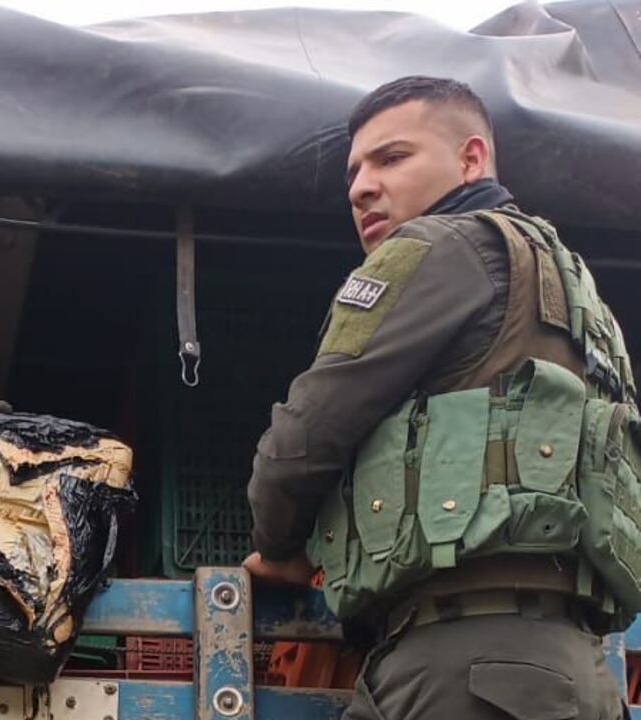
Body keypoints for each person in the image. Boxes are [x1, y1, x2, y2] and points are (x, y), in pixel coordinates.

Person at [243, 76, 634, 719]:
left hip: (466, 669)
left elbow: (305, 437)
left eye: (391, 158)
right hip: (575, 671)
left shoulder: (440, 246)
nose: (361, 186)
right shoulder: (578, 293)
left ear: (470, 159)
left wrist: (280, 545)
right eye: (354, 171)